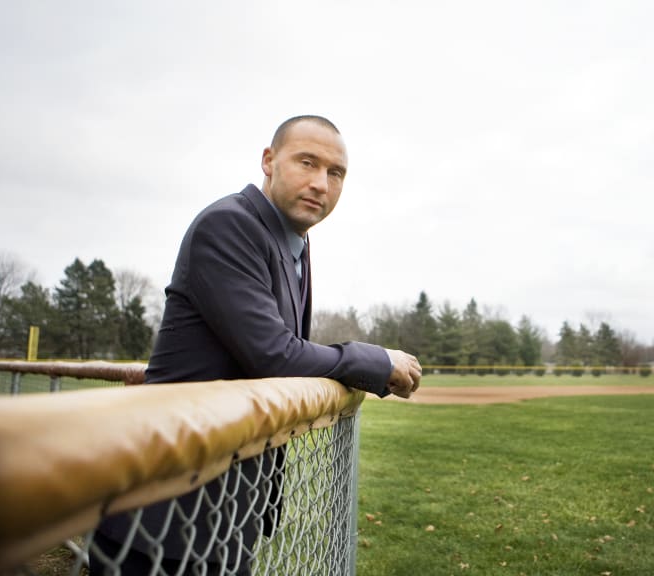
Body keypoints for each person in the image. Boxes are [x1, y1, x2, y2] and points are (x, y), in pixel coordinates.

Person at [91, 115, 421, 574]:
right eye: (307, 162)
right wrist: (375, 359)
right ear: (269, 161)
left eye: (335, 173)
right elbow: (273, 353)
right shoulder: (229, 225)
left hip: (223, 510)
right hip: (162, 515)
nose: (321, 184)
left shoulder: (295, 243)